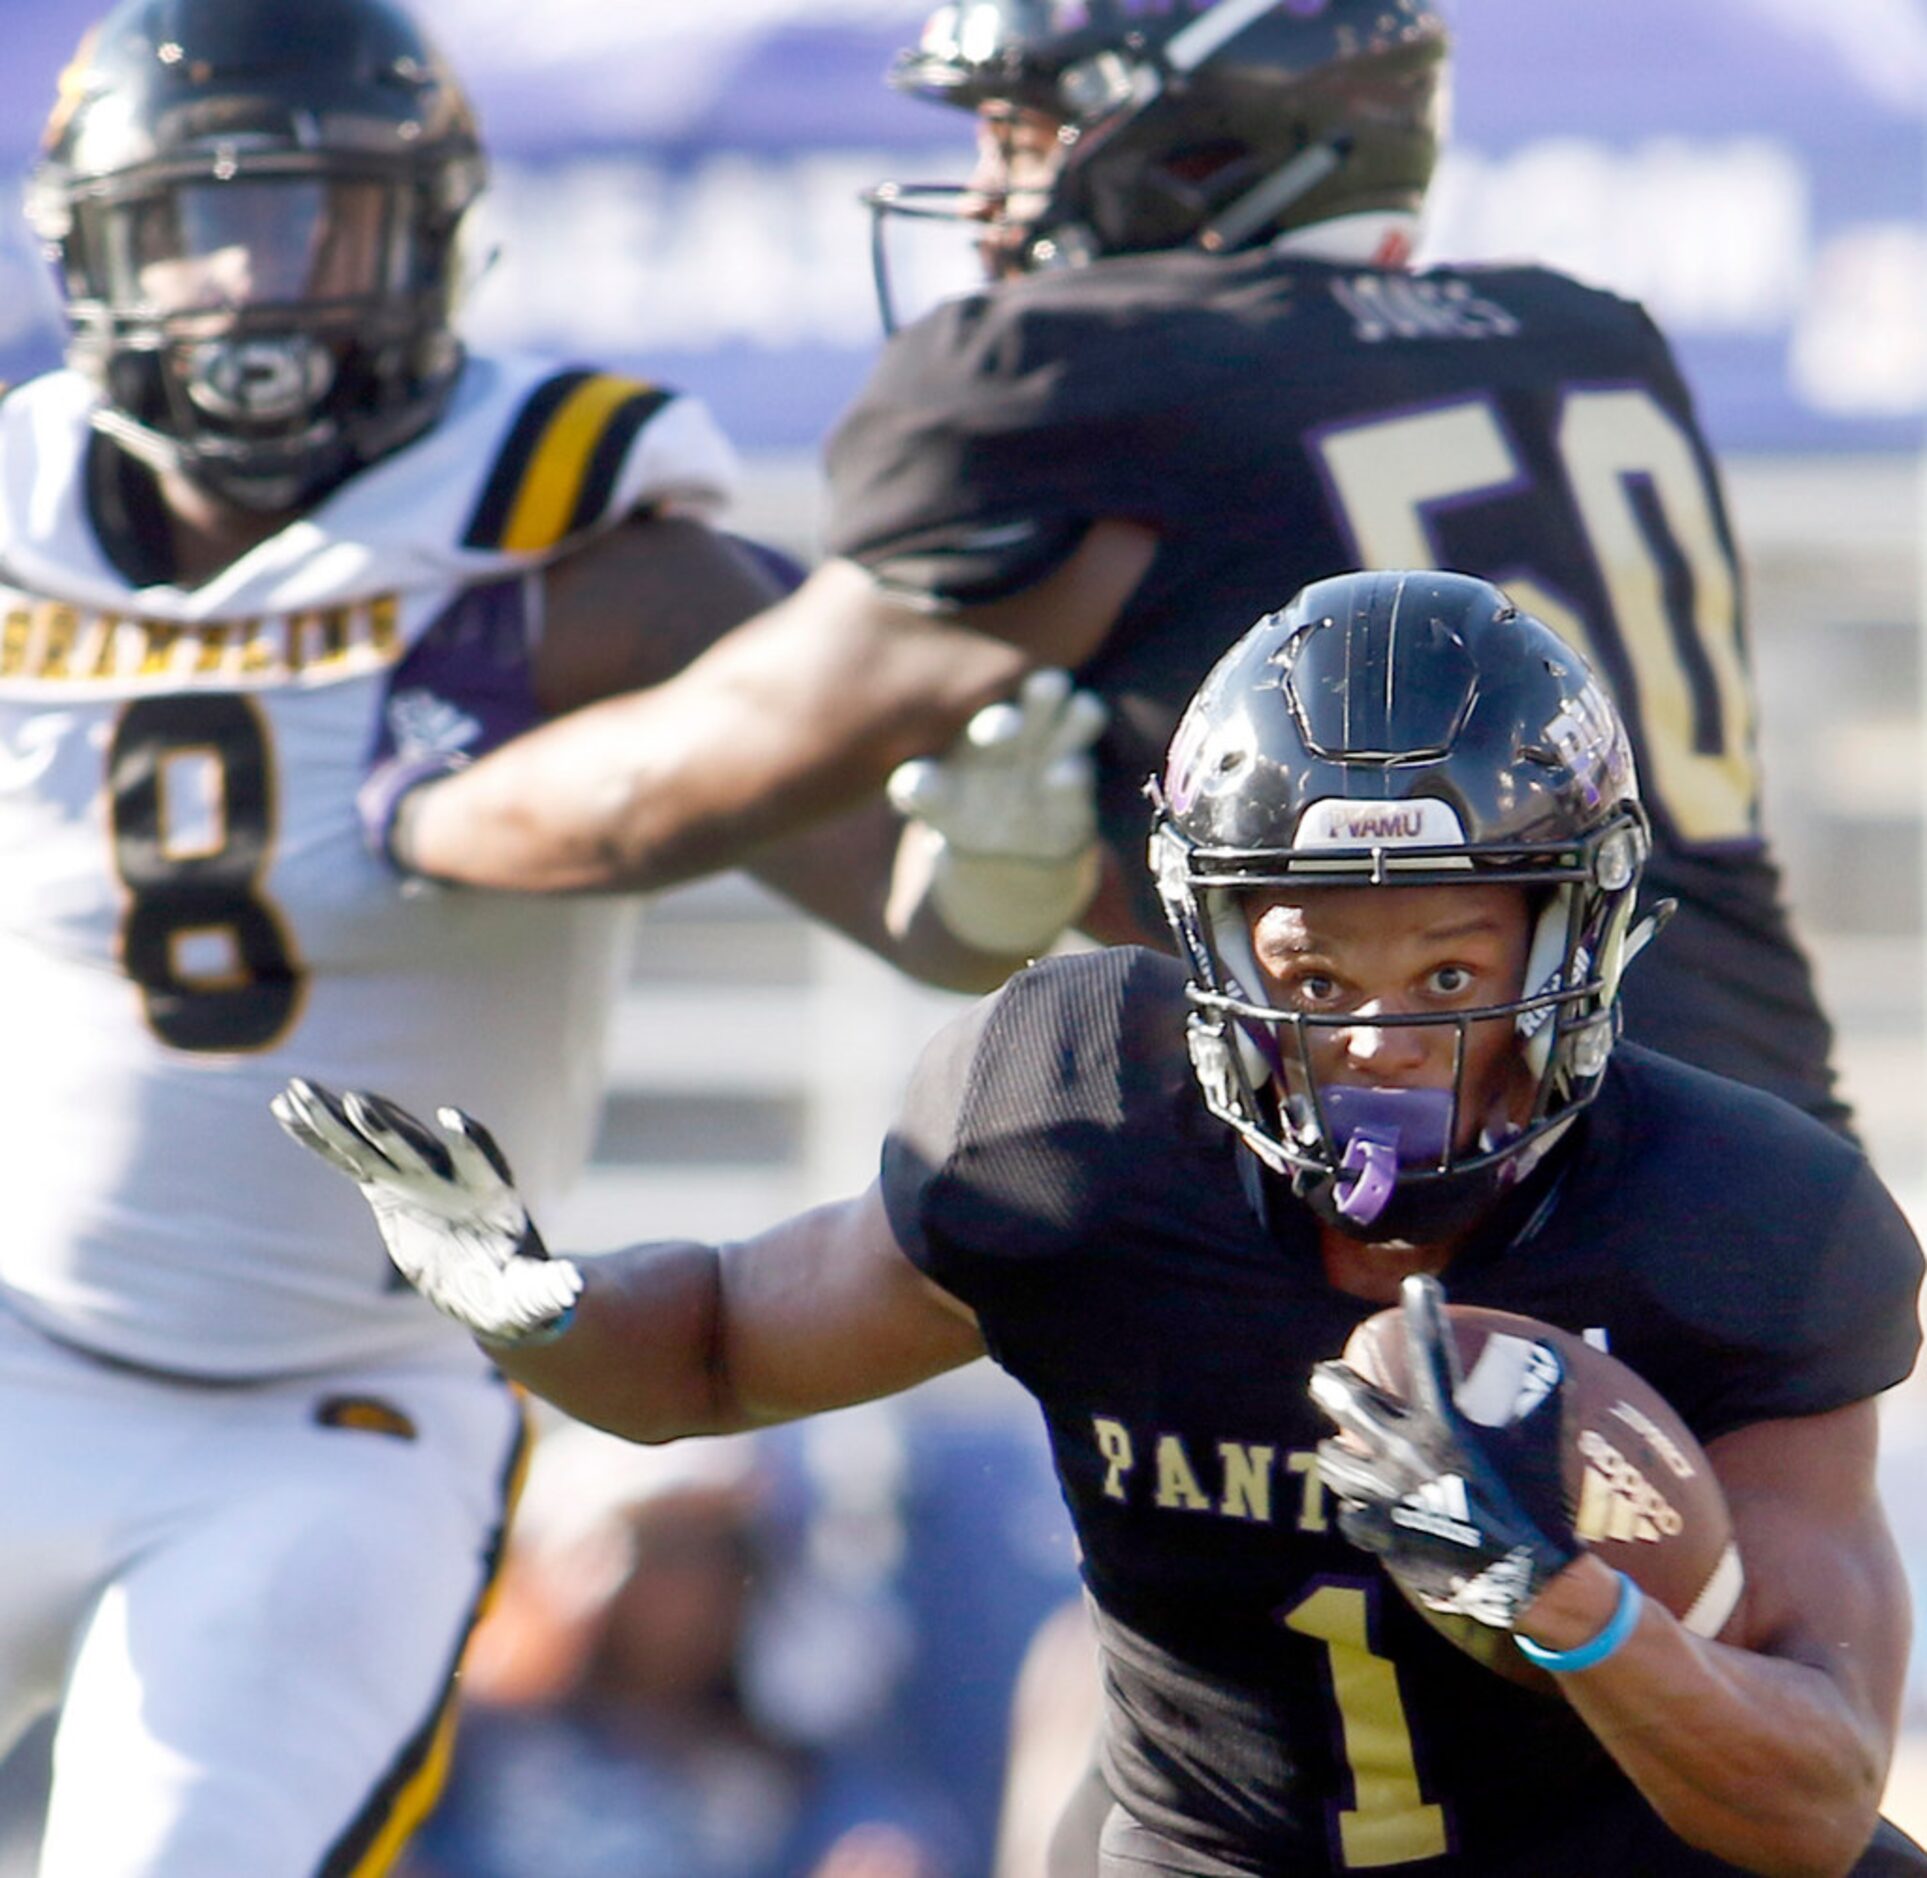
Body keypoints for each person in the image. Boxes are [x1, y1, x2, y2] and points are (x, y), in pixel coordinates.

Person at [278, 570, 1926, 1878]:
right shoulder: (1079, 1126)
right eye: (1311, 976)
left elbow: (1804, 1795)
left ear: (1576, 935)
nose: (1372, 1040)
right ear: (1208, 941)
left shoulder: (1736, 1222)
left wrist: (1561, 1600)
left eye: (1446, 973)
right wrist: (539, 1306)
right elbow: (711, 1351)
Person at [0, 1, 1041, 1872]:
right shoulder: (15, 512)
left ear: (435, 238)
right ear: (93, 255)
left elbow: (922, 911)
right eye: (205, 232)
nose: (258, 294)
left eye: (322, 227)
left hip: (334, 1418)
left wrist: (996, 866)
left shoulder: (565, 545)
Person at [373, 0, 1852, 1133]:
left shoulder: (1094, 371)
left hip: (1433, 1155)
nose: (988, 190)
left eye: (1021, 131)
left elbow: (678, 782)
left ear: (1196, 137)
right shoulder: (1584, 336)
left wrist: (392, 806)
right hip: (1762, 1139)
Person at [397, 1423, 960, 1878]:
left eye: (719, 1554)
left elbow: (891, 1841)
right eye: (660, 1550)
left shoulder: (794, 1765)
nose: (689, 1588)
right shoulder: (470, 1741)